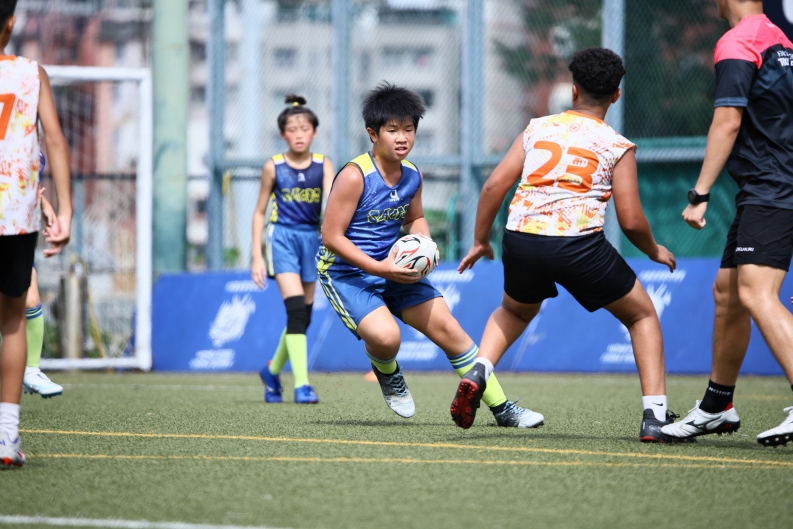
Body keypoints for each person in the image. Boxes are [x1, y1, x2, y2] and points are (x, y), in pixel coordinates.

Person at [450, 48, 680, 442]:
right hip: (578, 245)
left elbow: (492, 187)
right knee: (642, 316)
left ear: (573, 90)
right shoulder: (617, 145)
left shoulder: (537, 128)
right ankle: (655, 419)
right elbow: (630, 220)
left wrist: (479, 240)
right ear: (616, 95)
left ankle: (480, 370)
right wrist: (653, 249)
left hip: (521, 238)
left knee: (514, 310)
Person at [318, 82, 541, 427]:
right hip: (347, 273)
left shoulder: (412, 175)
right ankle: (387, 371)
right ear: (373, 134)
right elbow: (331, 237)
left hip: (394, 268)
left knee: (450, 331)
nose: (402, 138)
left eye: (409, 129)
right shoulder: (354, 176)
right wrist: (380, 268)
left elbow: (415, 218)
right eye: (393, 130)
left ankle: (503, 409)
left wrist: (423, 243)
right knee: (387, 338)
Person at [662, 0, 793, 446]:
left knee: (757, 293)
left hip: (771, 187)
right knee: (728, 291)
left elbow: (727, 122)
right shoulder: (780, 40)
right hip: (767, 186)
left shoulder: (740, 41)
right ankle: (718, 405)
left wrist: (700, 194)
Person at [0, 0, 72, 467]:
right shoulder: (31, 73)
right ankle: (6, 438)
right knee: (11, 322)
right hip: (13, 214)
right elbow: (56, 140)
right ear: (11, 22)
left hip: (20, 212)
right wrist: (64, 210)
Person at [251, 95, 334, 404]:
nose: (299, 135)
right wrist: (256, 256)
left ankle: (272, 371)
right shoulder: (273, 167)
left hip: (311, 240)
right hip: (282, 239)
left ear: (314, 132)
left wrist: (335, 237)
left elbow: (332, 205)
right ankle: (302, 385)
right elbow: (259, 212)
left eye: (305, 129)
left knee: (304, 318)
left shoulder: (323, 165)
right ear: (282, 134)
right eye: (292, 129)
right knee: (296, 310)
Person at [23, 155, 63, 399]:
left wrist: (45, 204)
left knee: (30, 299)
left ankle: (31, 370)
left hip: (16, 228)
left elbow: (27, 181)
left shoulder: (29, 143)